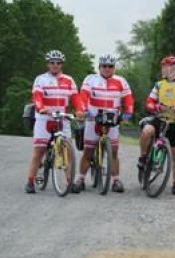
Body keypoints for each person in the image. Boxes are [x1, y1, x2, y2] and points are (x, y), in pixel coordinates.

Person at [71, 54, 134, 193]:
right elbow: (83, 96)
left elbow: (128, 99)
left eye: (110, 66)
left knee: (114, 152)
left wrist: (128, 113)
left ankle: (116, 180)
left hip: (112, 120)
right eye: (104, 66)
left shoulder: (121, 81)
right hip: (92, 118)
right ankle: (80, 179)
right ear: (99, 67)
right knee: (88, 151)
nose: (107, 69)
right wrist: (83, 110)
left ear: (114, 68)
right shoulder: (91, 79)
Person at [25, 50, 85, 193]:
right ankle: (30, 181)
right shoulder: (40, 79)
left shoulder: (69, 80)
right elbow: (37, 96)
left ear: (62, 64)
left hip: (62, 117)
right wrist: (40, 107)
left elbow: (76, 97)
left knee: (67, 150)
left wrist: (80, 109)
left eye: (58, 63)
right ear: (48, 64)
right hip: (44, 117)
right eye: (52, 63)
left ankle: (69, 182)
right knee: (39, 150)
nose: (55, 65)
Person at [138, 55, 175, 195]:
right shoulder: (159, 84)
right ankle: (143, 157)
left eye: (166, 66)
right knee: (146, 131)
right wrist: (156, 107)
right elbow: (149, 101)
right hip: (160, 118)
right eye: (163, 66)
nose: (163, 69)